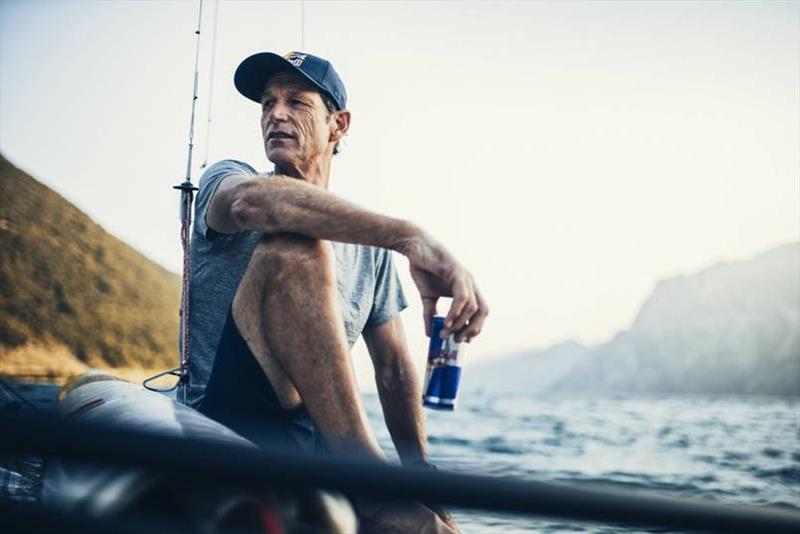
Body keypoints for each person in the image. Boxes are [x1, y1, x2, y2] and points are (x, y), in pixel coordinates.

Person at [181, 50, 488, 532]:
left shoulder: (369, 246)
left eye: (296, 103)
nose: (275, 114)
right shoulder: (228, 179)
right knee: (294, 248)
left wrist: (418, 475)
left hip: (319, 440)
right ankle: (370, 489)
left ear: (338, 124)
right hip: (230, 422)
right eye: (267, 102)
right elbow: (251, 204)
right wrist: (411, 237)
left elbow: (391, 368)